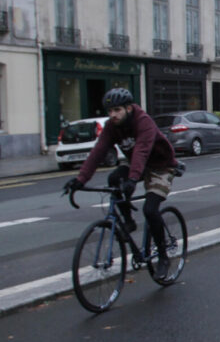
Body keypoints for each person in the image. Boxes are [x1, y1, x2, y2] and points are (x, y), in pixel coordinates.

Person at [63, 88, 180, 278]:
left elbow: (142, 150)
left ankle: (164, 257)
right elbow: (98, 152)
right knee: (114, 179)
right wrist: (80, 179)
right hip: (136, 162)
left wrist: (133, 179)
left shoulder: (143, 122)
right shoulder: (111, 126)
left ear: (128, 108)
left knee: (150, 210)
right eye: (109, 111)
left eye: (117, 110)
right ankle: (128, 222)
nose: (113, 115)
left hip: (160, 164)